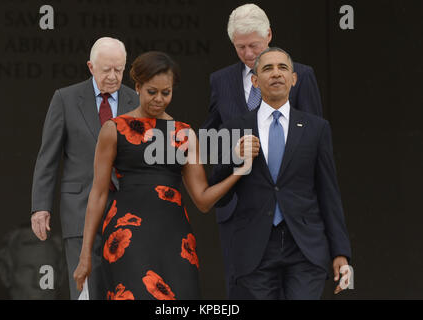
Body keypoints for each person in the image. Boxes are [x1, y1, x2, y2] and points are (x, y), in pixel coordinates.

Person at [73, 51, 260, 300]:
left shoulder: (185, 133)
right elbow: (98, 193)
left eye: (166, 92)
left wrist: (239, 169)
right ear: (137, 87)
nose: (159, 99)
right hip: (127, 236)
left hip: (175, 238)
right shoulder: (113, 129)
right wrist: (85, 254)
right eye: (152, 92)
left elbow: (203, 201)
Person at [201, 3, 325, 295]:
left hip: (293, 211)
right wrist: (234, 150)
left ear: (268, 35)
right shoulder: (221, 80)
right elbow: (208, 138)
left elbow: (315, 140)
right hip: (240, 209)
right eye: (239, 47)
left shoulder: (300, 75)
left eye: (253, 46)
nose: (247, 54)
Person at [210, 47, 352, 300]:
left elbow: (328, 191)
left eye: (283, 68)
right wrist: (234, 158)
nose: (276, 74)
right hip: (254, 248)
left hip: (306, 247)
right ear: (254, 81)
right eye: (267, 68)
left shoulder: (316, 128)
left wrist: (340, 252)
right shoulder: (234, 128)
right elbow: (218, 195)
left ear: (294, 79)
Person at [31, 37, 139, 299]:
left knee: (125, 288)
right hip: (80, 208)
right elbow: (48, 157)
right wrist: (40, 207)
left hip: (126, 209)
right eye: (106, 70)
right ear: (91, 67)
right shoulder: (65, 99)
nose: (113, 77)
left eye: (119, 69)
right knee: (85, 290)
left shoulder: (135, 99)